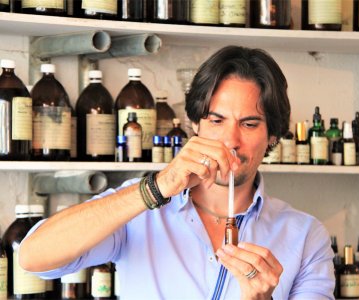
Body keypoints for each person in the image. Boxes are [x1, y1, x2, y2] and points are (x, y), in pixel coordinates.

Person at [19, 46, 335, 299]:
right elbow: (33, 257)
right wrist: (156, 188)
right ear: (195, 125)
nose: (231, 140)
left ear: (273, 136)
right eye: (216, 120)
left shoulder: (306, 237)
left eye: (249, 124)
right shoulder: (141, 211)